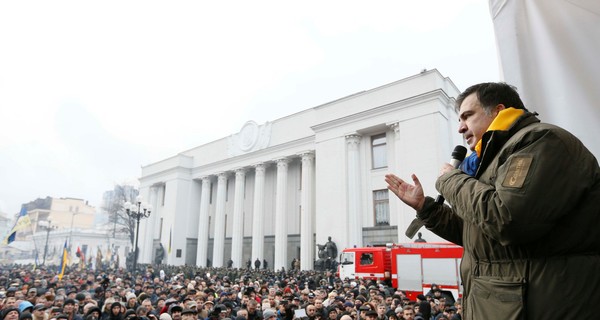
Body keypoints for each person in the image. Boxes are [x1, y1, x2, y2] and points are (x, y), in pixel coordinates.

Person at [385, 82, 600, 319]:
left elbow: (506, 219)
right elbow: (478, 234)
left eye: (467, 116)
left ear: (498, 111)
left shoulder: (539, 141)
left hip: (540, 306)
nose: (460, 128)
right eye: (459, 119)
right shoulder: (493, 158)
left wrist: (451, 180)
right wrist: (426, 208)